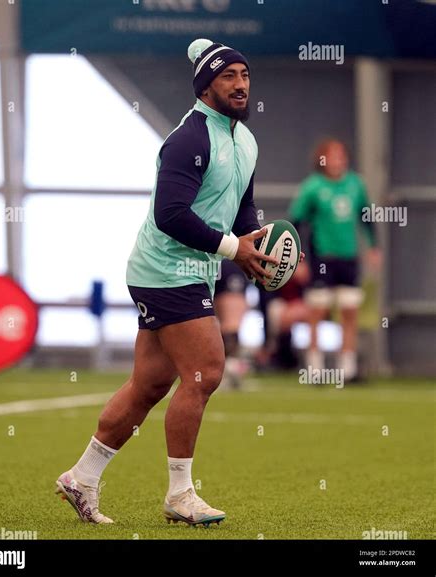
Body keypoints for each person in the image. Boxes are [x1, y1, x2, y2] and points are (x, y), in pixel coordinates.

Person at [55, 38, 288, 527]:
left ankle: (82, 477)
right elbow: (170, 215)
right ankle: (181, 494)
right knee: (206, 369)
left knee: (150, 384)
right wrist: (232, 249)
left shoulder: (245, 140)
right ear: (206, 85)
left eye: (245, 75)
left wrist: (250, 243)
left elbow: (242, 204)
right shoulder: (188, 138)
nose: (241, 84)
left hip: (192, 268)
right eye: (229, 76)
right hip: (164, 268)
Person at [289, 138, 381, 382]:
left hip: (348, 258)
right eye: (333, 156)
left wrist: (373, 247)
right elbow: (297, 222)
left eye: (342, 155)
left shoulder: (355, 184)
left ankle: (347, 369)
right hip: (322, 258)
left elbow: (366, 217)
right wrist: (299, 260)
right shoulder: (313, 187)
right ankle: (315, 369)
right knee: (317, 311)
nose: (339, 160)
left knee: (350, 311)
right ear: (322, 159)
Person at [256, 261, 310, 370]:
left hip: (300, 302)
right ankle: (272, 352)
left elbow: (306, 277)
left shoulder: (306, 259)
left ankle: (309, 362)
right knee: (275, 312)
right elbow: (267, 297)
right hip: (279, 303)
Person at [214, 259, 249, 389]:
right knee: (231, 322)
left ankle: (229, 368)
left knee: (230, 321)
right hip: (224, 254)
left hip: (190, 260)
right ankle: (230, 368)